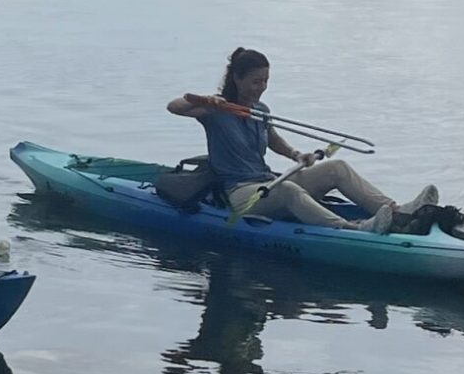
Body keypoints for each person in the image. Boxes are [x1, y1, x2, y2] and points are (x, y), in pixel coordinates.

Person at [167, 47, 440, 234]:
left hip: (265, 180)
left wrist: (296, 155)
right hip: (240, 194)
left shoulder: (261, 111)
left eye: (265, 81)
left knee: (338, 167)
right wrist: (208, 100)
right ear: (237, 78)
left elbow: (272, 139)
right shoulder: (216, 111)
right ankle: (353, 230)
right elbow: (175, 107)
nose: (261, 87)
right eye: (255, 82)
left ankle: (398, 213)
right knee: (288, 190)